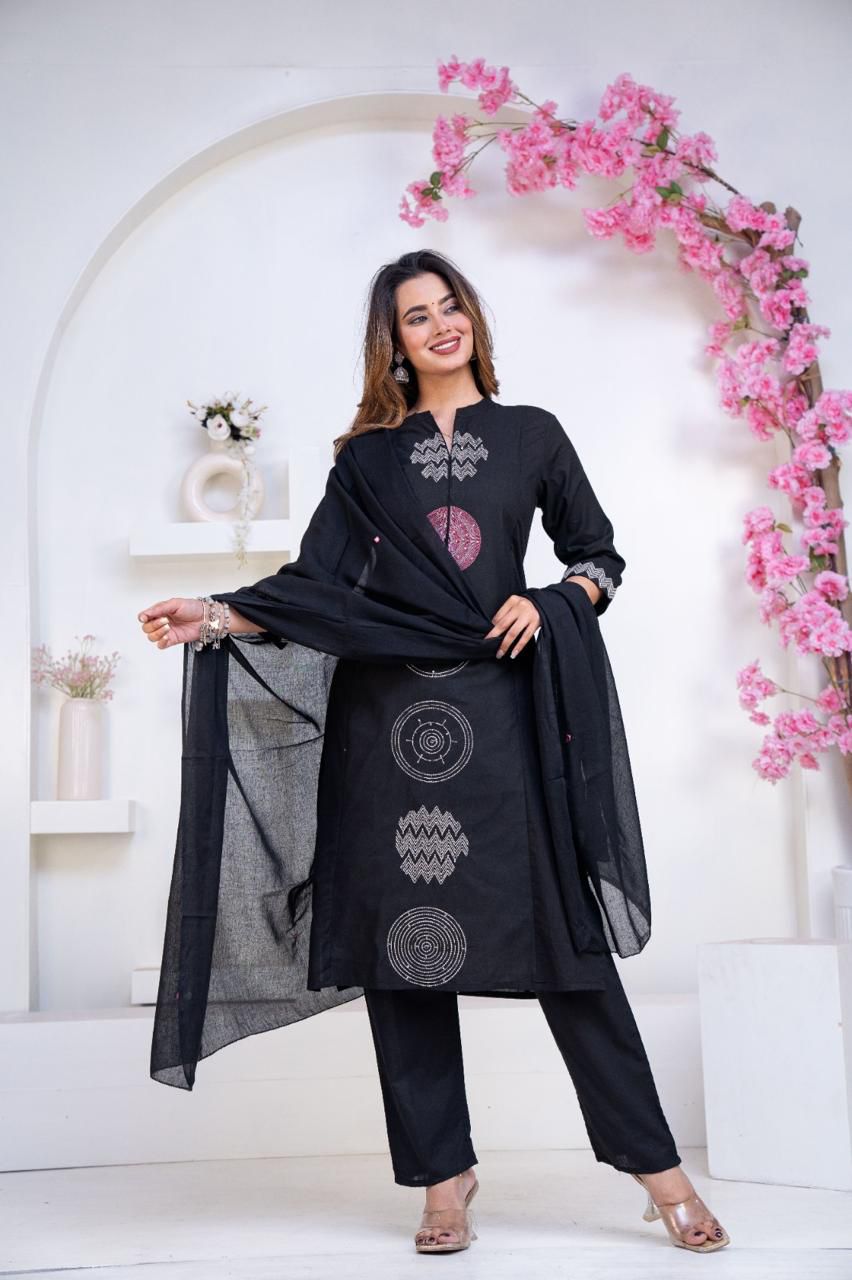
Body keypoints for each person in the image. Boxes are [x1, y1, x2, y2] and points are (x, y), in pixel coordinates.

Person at [138, 249, 730, 1256]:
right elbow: (318, 585)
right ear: (396, 344)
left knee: (567, 945)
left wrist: (551, 600)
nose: (440, 324)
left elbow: (598, 556)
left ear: (473, 320)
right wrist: (219, 612)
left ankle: (656, 1170)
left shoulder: (532, 434)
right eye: (417, 316)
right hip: (385, 729)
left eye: (451, 306)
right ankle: (441, 1176)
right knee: (401, 954)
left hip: (505, 719)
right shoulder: (367, 460)